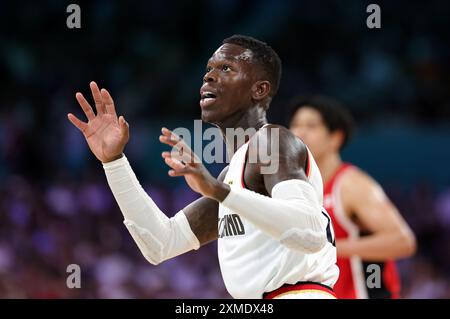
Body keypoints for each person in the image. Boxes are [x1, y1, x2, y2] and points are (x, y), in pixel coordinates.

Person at [67, 35, 339, 299]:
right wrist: (113, 162)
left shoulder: (273, 140)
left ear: (259, 89)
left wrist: (219, 191)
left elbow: (311, 233)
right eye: (208, 69)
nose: (208, 76)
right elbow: (160, 243)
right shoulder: (230, 176)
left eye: (226, 68)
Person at [288, 95, 417, 298]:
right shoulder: (296, 189)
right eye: (295, 125)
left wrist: (330, 247)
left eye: (311, 126)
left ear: (335, 138)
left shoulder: (352, 185)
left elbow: (403, 241)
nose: (300, 132)